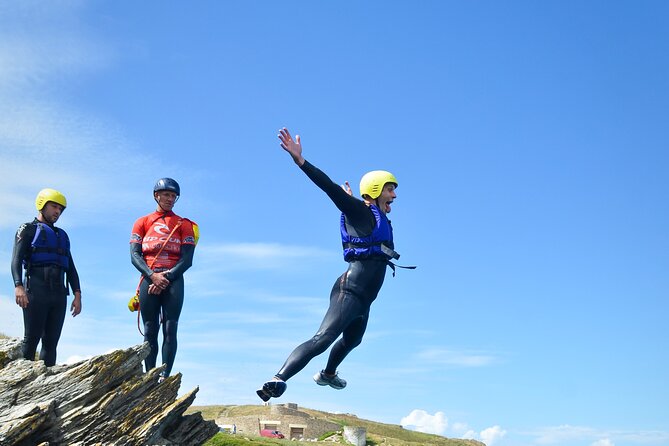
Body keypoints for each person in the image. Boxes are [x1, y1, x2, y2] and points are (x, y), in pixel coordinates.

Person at [257, 127, 411, 402]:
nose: (394, 196)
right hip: (349, 291)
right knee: (324, 338)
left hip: (365, 299)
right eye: (390, 189)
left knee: (353, 340)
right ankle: (277, 379)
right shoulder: (360, 211)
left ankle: (328, 375)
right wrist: (300, 160)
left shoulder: (375, 215)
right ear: (376, 190)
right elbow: (328, 187)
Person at [130, 178, 199, 381]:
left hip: (173, 279)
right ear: (156, 195)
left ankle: (165, 376)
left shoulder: (184, 224)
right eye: (165, 195)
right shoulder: (142, 222)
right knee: (150, 329)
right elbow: (134, 255)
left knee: (171, 327)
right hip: (149, 276)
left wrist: (165, 278)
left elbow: (187, 260)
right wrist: (152, 276)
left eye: (173, 196)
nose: (169, 199)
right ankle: (150, 376)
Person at [10, 188, 82, 367]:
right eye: (54, 206)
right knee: (31, 338)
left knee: (51, 342)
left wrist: (77, 295)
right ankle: (22, 385)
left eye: (60, 209)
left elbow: (71, 268)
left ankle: (45, 382)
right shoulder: (27, 229)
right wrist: (18, 286)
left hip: (58, 294)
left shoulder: (62, 236)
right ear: (42, 204)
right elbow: (16, 259)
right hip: (36, 290)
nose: (57, 211)